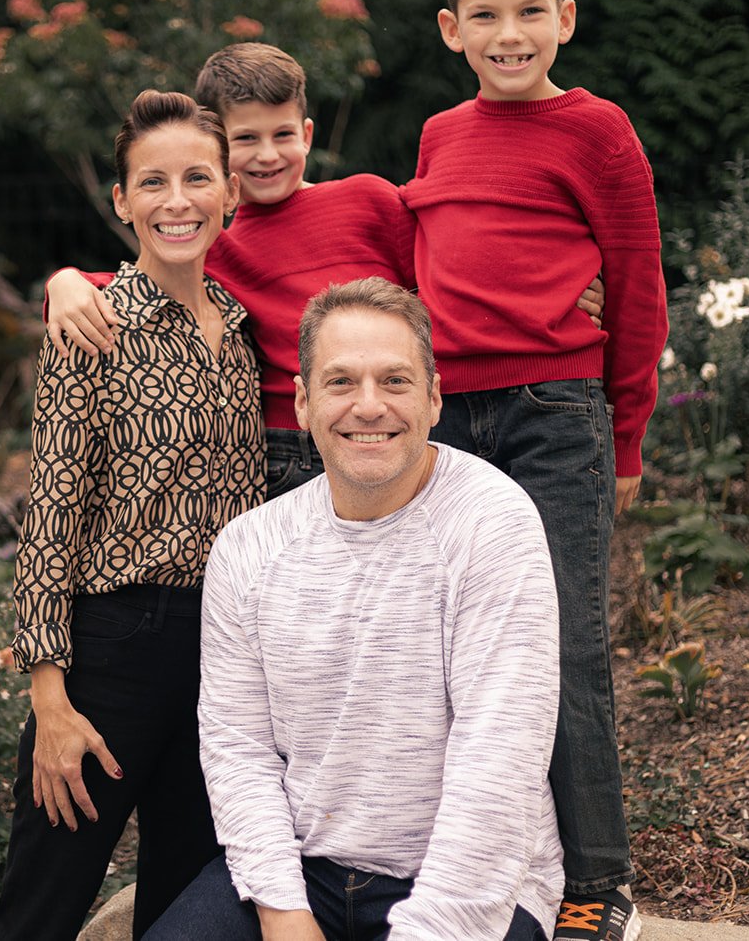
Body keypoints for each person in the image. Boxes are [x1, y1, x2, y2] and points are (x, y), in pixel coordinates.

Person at [147, 277, 562, 941]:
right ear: (304, 403)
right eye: (341, 382)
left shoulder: (493, 523)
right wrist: (283, 913)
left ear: (433, 398)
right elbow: (239, 749)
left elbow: (500, 757)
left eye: (394, 380)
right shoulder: (248, 548)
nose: (368, 406)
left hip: (467, 878)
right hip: (301, 868)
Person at [400, 0, 667, 940]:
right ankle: (476, 859)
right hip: (446, 419)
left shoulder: (598, 131)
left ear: (563, 18)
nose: (507, 34)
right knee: (456, 644)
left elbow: (637, 287)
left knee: (562, 644)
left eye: (527, 13)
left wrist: (628, 435)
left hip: (557, 412)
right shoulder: (439, 134)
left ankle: (596, 880)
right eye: (484, 16)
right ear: (449, 28)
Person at [45, 43, 604, 502]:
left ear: (307, 134)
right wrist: (65, 283)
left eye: (282, 135)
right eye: (245, 140)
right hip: (283, 447)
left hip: (379, 428)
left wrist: (553, 287)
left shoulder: (369, 201)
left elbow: (453, 273)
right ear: (217, 147)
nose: (268, 155)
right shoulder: (213, 243)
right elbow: (143, 282)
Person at [0, 90, 265, 941]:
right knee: (44, 900)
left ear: (226, 193)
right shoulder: (91, 327)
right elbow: (50, 517)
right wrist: (51, 701)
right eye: (152, 182)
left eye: (195, 178)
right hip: (113, 650)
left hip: (222, 657)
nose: (175, 201)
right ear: (122, 200)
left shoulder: (247, 333)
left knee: (186, 909)